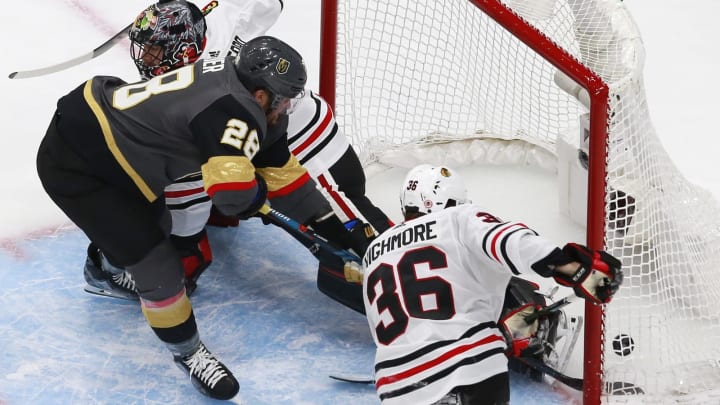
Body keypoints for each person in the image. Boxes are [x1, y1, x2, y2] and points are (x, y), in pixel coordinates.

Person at [36, 34, 318, 400]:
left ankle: (103, 269)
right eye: (282, 99)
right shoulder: (238, 112)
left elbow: (262, 175)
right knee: (158, 265)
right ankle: (189, 354)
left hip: (105, 131)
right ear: (261, 95)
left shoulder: (227, 80)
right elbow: (232, 197)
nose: (284, 109)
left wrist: (334, 223)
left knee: (156, 224)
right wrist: (256, 196)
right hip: (78, 162)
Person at [84, 1, 373, 311]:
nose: (146, 57)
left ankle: (365, 239)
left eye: (154, 49)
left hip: (286, 129)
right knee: (184, 177)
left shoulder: (225, 29)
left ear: (182, 49)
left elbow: (266, 5)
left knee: (343, 211)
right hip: (232, 137)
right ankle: (180, 245)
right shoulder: (196, 58)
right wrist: (241, 195)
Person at [356, 164, 623, 405]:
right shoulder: (456, 219)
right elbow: (508, 239)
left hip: (396, 387)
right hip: (467, 372)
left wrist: (502, 335)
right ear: (449, 201)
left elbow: (415, 327)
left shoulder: (374, 253)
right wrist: (572, 268)